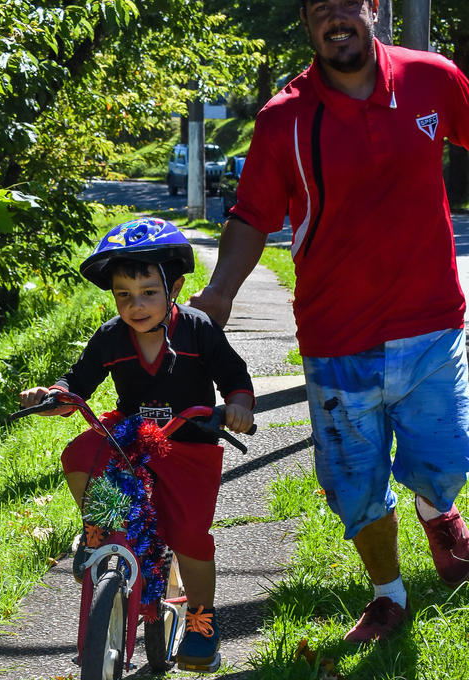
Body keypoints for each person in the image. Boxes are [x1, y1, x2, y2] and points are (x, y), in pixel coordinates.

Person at [190, 0, 469, 643]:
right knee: (354, 487)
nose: (335, 17)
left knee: (448, 459)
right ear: (308, 22)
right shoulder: (285, 119)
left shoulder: (432, 78)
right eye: (320, 8)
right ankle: (389, 596)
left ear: (373, 8)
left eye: (348, 2)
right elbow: (251, 216)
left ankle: (436, 508)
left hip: (431, 323)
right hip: (337, 338)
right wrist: (223, 291)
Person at [20, 217, 255, 669]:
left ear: (176, 285)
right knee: (80, 454)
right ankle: (99, 530)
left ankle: (202, 621)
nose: (136, 305)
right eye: (123, 295)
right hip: (131, 437)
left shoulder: (198, 328)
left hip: (190, 441)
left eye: (148, 291)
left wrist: (238, 407)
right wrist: (54, 397)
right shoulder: (112, 336)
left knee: (189, 537)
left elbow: (234, 376)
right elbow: (78, 383)